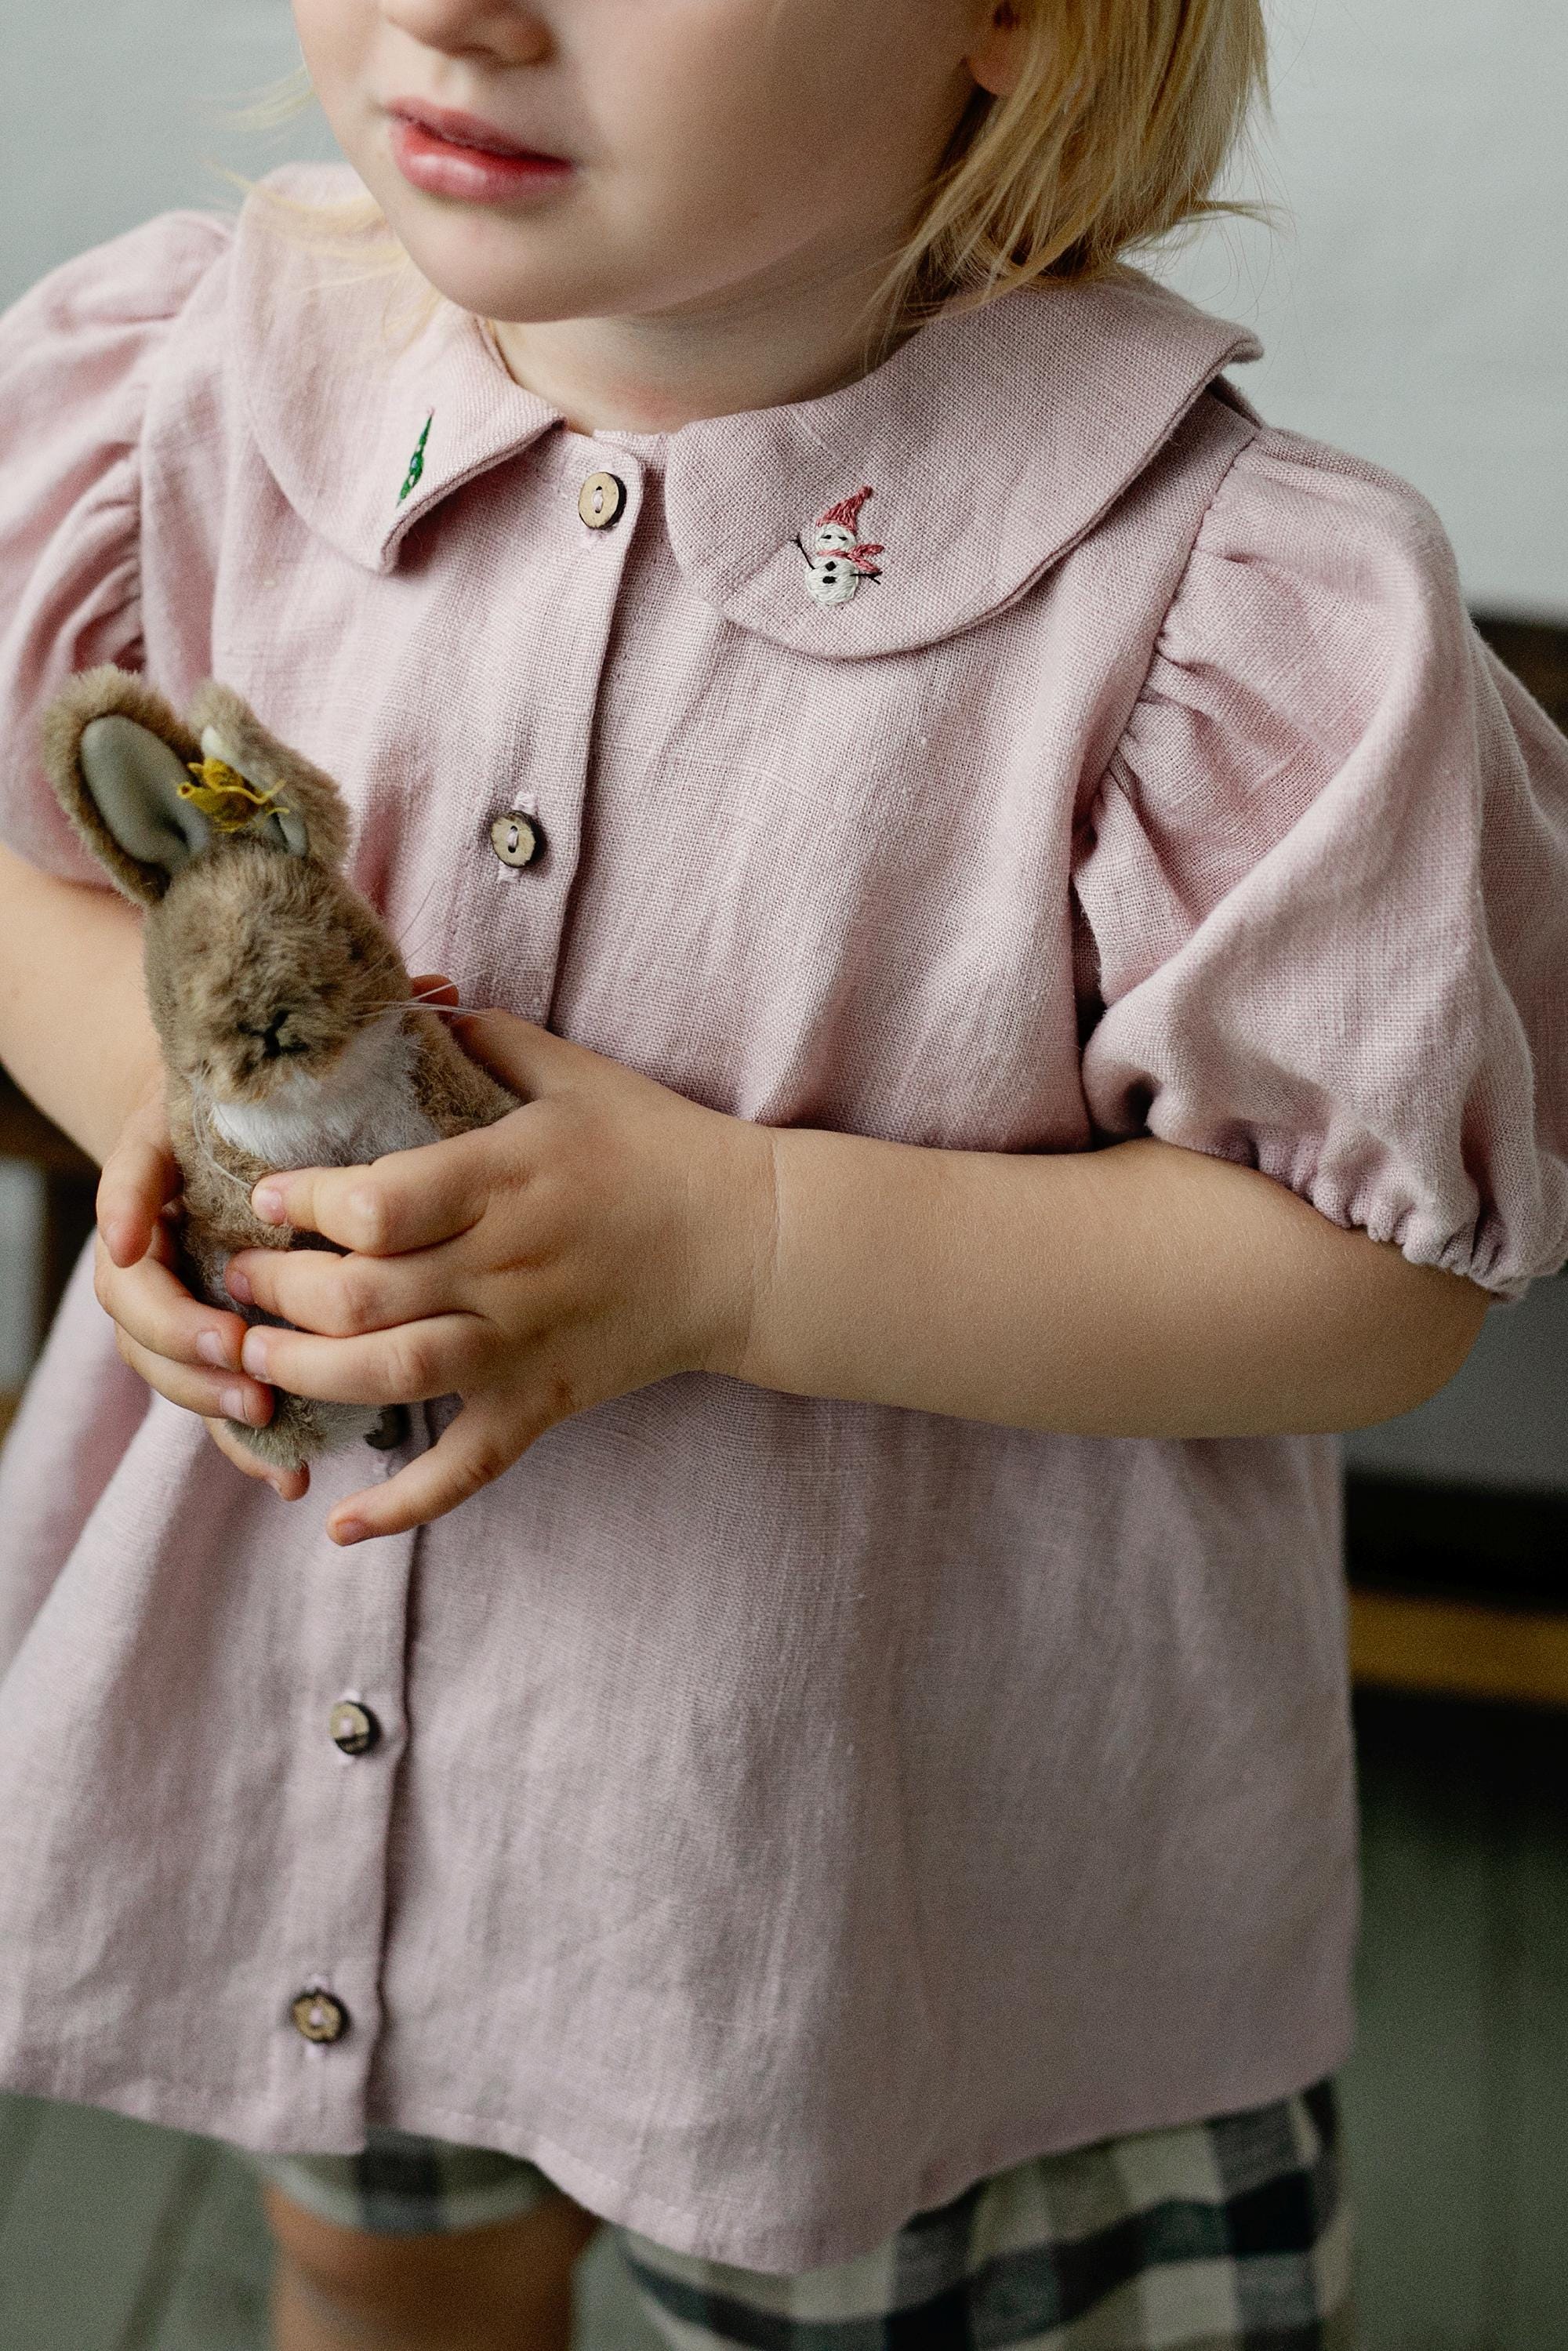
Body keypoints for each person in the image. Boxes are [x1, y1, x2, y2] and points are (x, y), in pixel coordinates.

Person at [0, 0, 1563, 2343]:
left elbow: (1377, 1272)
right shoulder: (193, 389)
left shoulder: (1201, 605)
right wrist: (172, 1116)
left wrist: (746, 1248)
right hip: (331, 1753)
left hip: (889, 1914)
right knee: (378, 2265)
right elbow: (41, 888)